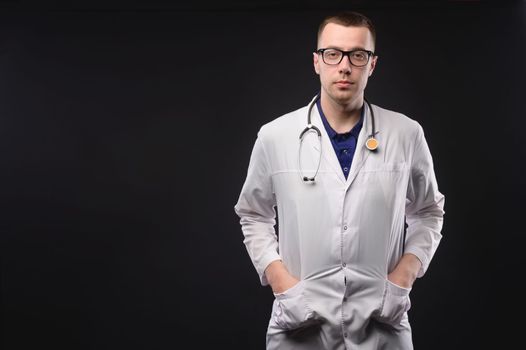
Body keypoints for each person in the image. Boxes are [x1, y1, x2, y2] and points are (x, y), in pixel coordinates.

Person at [234, 11, 445, 350]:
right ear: (317, 62)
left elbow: (429, 212)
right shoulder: (275, 136)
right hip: (298, 325)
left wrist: (402, 278)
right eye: (333, 54)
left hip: (382, 323)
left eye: (357, 55)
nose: (344, 66)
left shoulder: (406, 134)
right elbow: (253, 214)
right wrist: (282, 283)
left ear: (372, 64)